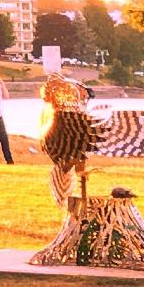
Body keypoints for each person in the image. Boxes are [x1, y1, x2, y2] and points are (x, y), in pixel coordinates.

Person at [41, 72, 94, 209]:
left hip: (75, 139)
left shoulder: (76, 104)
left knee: (78, 162)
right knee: (68, 165)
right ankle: (72, 190)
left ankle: (79, 184)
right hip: (63, 139)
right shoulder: (54, 108)